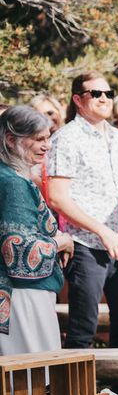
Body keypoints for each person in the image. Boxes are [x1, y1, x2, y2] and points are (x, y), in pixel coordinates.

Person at [47, 72, 118, 352]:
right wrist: (101, 230)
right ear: (78, 99)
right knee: (83, 327)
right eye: (95, 94)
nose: (103, 99)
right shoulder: (66, 138)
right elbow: (57, 197)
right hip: (86, 245)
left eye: (108, 94)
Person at [0, 107, 72, 355]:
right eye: (39, 139)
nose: (47, 145)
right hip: (22, 298)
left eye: (48, 138)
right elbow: (19, 252)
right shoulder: (12, 183)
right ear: (11, 139)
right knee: (33, 380)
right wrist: (63, 242)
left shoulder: (12, 177)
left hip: (23, 295)